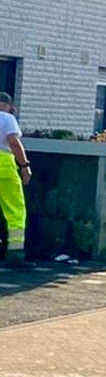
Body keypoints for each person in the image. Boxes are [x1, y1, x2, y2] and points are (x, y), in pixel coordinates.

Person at [0, 92, 32, 268]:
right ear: (7, 105)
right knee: (15, 210)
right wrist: (25, 165)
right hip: (3, 168)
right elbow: (13, 142)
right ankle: (15, 254)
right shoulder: (7, 118)